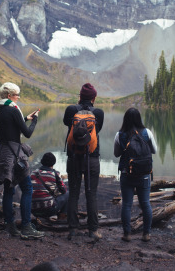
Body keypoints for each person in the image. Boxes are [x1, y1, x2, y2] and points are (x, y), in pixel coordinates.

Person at [0, 82, 44, 239]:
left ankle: (10, 225)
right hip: (15, 154)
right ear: (9, 96)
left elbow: (9, 126)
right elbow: (27, 133)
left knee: (8, 190)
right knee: (27, 188)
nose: (18, 98)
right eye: (17, 95)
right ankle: (26, 226)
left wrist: (24, 118)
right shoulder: (13, 111)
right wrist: (34, 120)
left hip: (2, 151)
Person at [63, 83, 104, 240]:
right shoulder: (98, 112)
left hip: (73, 157)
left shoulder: (71, 110)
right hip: (92, 157)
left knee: (73, 192)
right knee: (91, 194)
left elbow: (66, 123)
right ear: (94, 98)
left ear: (79, 96)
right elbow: (97, 130)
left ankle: (72, 229)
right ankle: (93, 230)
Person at [114, 108, 157, 242]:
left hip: (127, 174)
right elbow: (154, 150)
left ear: (125, 119)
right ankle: (146, 234)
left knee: (126, 204)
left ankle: (127, 234)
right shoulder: (147, 133)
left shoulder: (119, 134)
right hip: (144, 175)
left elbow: (116, 154)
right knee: (145, 204)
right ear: (139, 118)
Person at [30, 152, 68, 219]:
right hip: (49, 210)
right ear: (54, 163)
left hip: (33, 210)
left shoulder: (33, 173)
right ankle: (62, 216)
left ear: (42, 162)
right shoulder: (54, 173)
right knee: (67, 194)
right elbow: (64, 190)